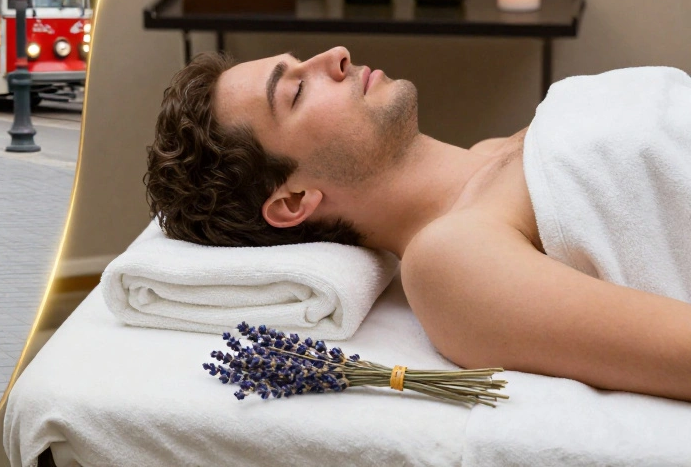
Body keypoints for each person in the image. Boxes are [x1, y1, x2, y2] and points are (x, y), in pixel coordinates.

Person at [144, 48, 691, 403]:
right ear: (293, 201)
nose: (334, 56)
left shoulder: (500, 152)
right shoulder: (447, 261)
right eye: (296, 91)